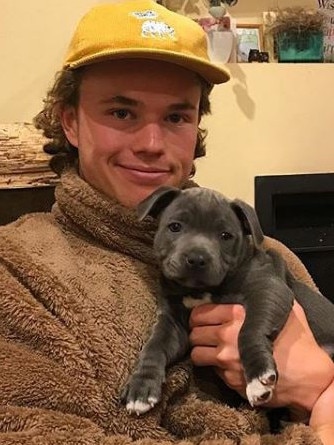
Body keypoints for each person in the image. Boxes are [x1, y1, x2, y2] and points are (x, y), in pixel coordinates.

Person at [0, 0, 333, 443]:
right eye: (122, 113)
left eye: (176, 116)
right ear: (71, 122)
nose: (152, 143)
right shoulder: (19, 273)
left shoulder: (267, 252)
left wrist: (320, 383)